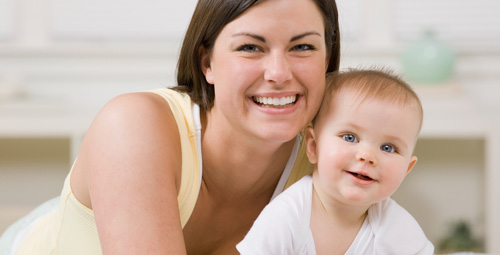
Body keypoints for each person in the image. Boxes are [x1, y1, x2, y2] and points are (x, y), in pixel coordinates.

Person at [0, 0, 340, 254]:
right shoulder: (132, 125)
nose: (279, 73)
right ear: (207, 63)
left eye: (303, 47)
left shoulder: (335, 154)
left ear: (326, 59)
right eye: (250, 47)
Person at [236, 69, 435, 255]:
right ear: (313, 146)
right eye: (350, 137)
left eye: (388, 148)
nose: (367, 156)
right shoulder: (286, 217)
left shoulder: (395, 226)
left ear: (407, 169)